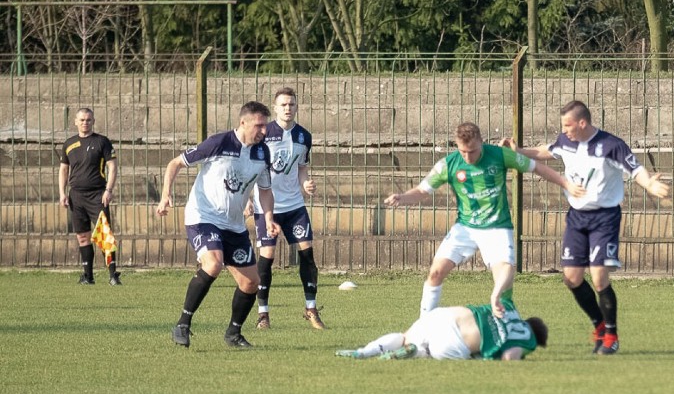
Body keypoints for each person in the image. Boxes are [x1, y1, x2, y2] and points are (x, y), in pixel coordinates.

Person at [502, 100, 670, 355]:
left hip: (604, 217)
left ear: (583, 123)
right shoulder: (566, 141)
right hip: (577, 217)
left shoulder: (612, 146)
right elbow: (546, 151)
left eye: (568, 125)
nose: (565, 130)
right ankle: (599, 325)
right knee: (571, 279)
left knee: (599, 276)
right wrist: (519, 150)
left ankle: (611, 336)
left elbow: (635, 169)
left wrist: (649, 185)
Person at [383, 122, 572, 320]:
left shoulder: (499, 155)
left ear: (481, 142)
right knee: (435, 273)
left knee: (504, 279)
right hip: (465, 228)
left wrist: (565, 183)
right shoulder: (449, 164)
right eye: (463, 151)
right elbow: (422, 191)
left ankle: (507, 321)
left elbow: (537, 167)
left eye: (472, 151)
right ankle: (423, 326)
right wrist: (402, 197)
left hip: (497, 228)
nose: (467, 156)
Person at [157, 101, 281, 349]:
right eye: (259, 125)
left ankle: (233, 334)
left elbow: (265, 190)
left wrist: (268, 217)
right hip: (203, 217)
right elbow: (175, 163)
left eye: (265, 126)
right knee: (213, 263)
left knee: (251, 283)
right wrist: (166, 194)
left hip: (234, 225)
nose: (264, 131)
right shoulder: (219, 143)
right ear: (243, 122)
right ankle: (183, 324)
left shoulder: (262, 152)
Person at [245, 87, 324, 331]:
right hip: (266, 205)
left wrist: (306, 183)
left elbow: (301, 168)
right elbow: (248, 165)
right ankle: (263, 315)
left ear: (297, 106)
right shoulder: (264, 134)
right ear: (275, 108)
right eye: (283, 105)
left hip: (294, 206)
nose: (287, 108)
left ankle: (311, 309)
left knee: (307, 255)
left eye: (291, 104)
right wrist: (248, 197)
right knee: (267, 259)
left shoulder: (304, 136)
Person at [335, 292, 547, 361]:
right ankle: (416, 352)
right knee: (428, 351)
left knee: (405, 335)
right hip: (458, 342)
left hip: (447, 316)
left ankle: (363, 352)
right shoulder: (528, 340)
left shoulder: (510, 309)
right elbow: (510, 357)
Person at [58, 107, 122, 286]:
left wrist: (108, 190)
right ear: (75, 122)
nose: (85, 123)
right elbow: (64, 169)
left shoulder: (102, 142)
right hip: (76, 196)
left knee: (104, 235)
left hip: (97, 195)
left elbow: (112, 166)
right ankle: (88, 276)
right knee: (82, 236)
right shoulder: (69, 144)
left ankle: (113, 275)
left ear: (93, 121)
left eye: (88, 120)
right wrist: (63, 193)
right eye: (82, 120)